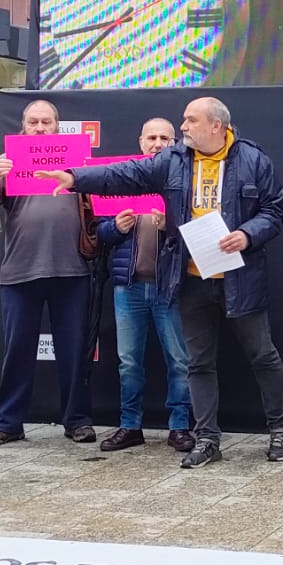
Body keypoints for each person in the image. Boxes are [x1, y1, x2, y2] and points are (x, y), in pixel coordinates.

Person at [32, 97, 283, 469]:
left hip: (240, 278)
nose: (183, 127)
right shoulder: (174, 160)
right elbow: (125, 175)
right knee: (199, 363)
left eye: (190, 120)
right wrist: (75, 178)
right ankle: (207, 438)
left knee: (262, 356)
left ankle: (281, 430)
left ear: (216, 126)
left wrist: (248, 234)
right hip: (189, 277)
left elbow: (274, 211)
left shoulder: (253, 159)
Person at [0, 100, 97, 446]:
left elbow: (96, 202)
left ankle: (76, 419)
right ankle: (8, 422)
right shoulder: (7, 164)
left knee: (73, 349)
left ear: (57, 126)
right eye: (33, 122)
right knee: (17, 348)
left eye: (46, 122)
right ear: (22, 126)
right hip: (21, 268)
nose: (39, 127)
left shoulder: (77, 160)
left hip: (71, 268)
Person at [95, 117, 194, 454]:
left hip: (171, 286)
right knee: (128, 361)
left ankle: (180, 426)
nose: (158, 143)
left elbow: (203, 230)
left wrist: (173, 225)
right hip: (129, 286)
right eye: (151, 137)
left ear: (175, 143)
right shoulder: (124, 178)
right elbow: (100, 234)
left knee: (179, 360)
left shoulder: (185, 180)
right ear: (140, 142)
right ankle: (130, 425)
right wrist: (117, 228)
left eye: (165, 138)